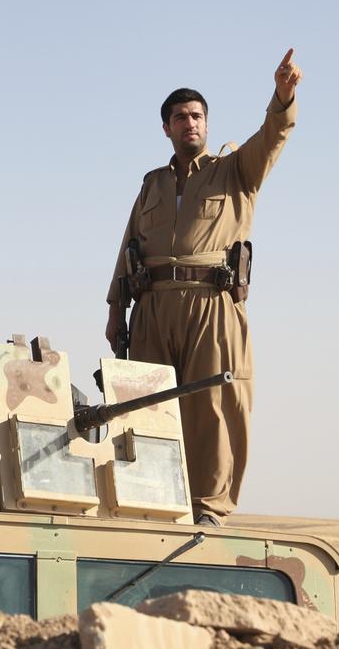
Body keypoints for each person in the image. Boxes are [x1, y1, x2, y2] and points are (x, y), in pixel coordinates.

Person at [104, 49, 302, 528]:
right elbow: (128, 243)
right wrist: (116, 309)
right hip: (151, 306)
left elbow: (273, 137)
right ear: (166, 128)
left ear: (207, 125)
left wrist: (282, 96)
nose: (189, 123)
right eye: (179, 117)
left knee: (212, 408)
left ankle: (209, 509)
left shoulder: (235, 171)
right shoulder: (151, 184)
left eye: (196, 116)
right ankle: (152, 503)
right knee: (146, 407)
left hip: (212, 304)